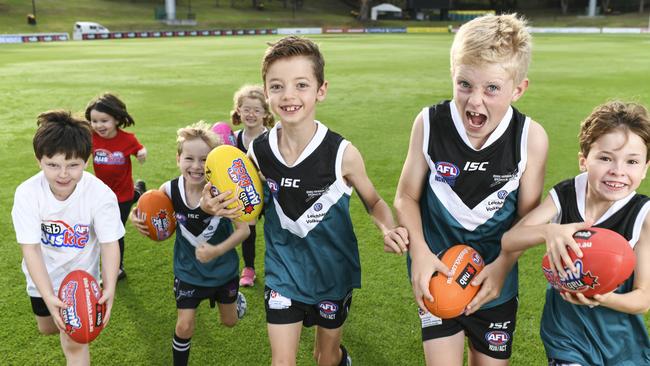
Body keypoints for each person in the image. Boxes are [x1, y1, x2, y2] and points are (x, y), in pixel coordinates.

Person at [202, 35, 409, 366]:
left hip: (333, 274)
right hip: (283, 273)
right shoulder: (258, 152)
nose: (289, 96)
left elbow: (374, 202)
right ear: (266, 91)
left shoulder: (342, 154)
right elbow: (247, 210)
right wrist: (211, 206)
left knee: (325, 358)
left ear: (320, 90)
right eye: (277, 86)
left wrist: (387, 228)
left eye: (301, 85)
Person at [393, 14, 549, 365]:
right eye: (465, 84)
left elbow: (527, 219)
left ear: (519, 89)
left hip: (495, 285)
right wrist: (418, 250)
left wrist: (503, 264)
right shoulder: (429, 123)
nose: (475, 102)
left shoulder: (530, 139)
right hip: (436, 277)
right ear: (453, 75)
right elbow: (406, 196)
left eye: (492, 88)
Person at [502, 101, 650, 365]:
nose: (618, 170)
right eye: (605, 158)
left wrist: (605, 298)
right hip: (566, 336)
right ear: (584, 161)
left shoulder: (643, 215)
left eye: (632, 162)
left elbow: (643, 298)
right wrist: (549, 231)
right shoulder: (566, 195)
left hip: (622, 344)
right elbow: (510, 239)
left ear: (645, 168)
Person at [130, 121, 249, 366]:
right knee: (184, 326)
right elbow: (150, 207)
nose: (196, 166)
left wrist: (217, 250)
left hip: (223, 271)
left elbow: (244, 230)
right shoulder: (170, 190)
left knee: (229, 321)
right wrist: (137, 216)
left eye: (204, 160)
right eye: (189, 158)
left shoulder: (223, 192)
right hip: (188, 271)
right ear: (178, 159)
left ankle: (235, 302)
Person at [11, 110, 123, 365]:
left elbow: (109, 244)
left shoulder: (100, 194)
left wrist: (110, 287)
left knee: (74, 340)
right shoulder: (27, 194)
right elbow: (30, 249)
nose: (63, 174)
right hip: (43, 276)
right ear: (39, 160)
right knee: (47, 327)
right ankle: (54, 318)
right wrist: (49, 296)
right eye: (53, 165)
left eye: (73, 165)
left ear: (86, 160)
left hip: (81, 281)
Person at [86, 92, 147, 280]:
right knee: (97, 230)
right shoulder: (92, 138)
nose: (98, 125)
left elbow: (138, 149)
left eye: (104, 121)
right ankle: (139, 191)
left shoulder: (127, 139)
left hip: (121, 196)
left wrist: (142, 153)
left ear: (117, 119)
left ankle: (118, 268)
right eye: (94, 121)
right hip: (101, 194)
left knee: (114, 232)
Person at [229, 84, 275, 287]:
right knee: (248, 229)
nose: (251, 114)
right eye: (246, 109)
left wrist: (262, 176)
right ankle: (248, 268)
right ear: (238, 109)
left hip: (273, 193)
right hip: (247, 193)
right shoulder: (235, 139)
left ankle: (279, 267)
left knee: (276, 231)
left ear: (265, 113)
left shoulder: (272, 138)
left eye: (257, 110)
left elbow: (281, 169)